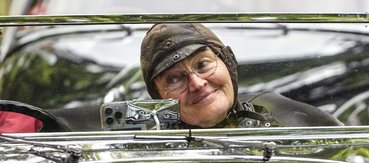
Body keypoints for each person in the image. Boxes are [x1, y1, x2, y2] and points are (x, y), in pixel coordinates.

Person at [140, 23, 342, 128]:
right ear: (159, 99)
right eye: (174, 79)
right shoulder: (147, 152)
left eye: (203, 64)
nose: (197, 83)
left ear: (228, 62)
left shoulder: (285, 116)